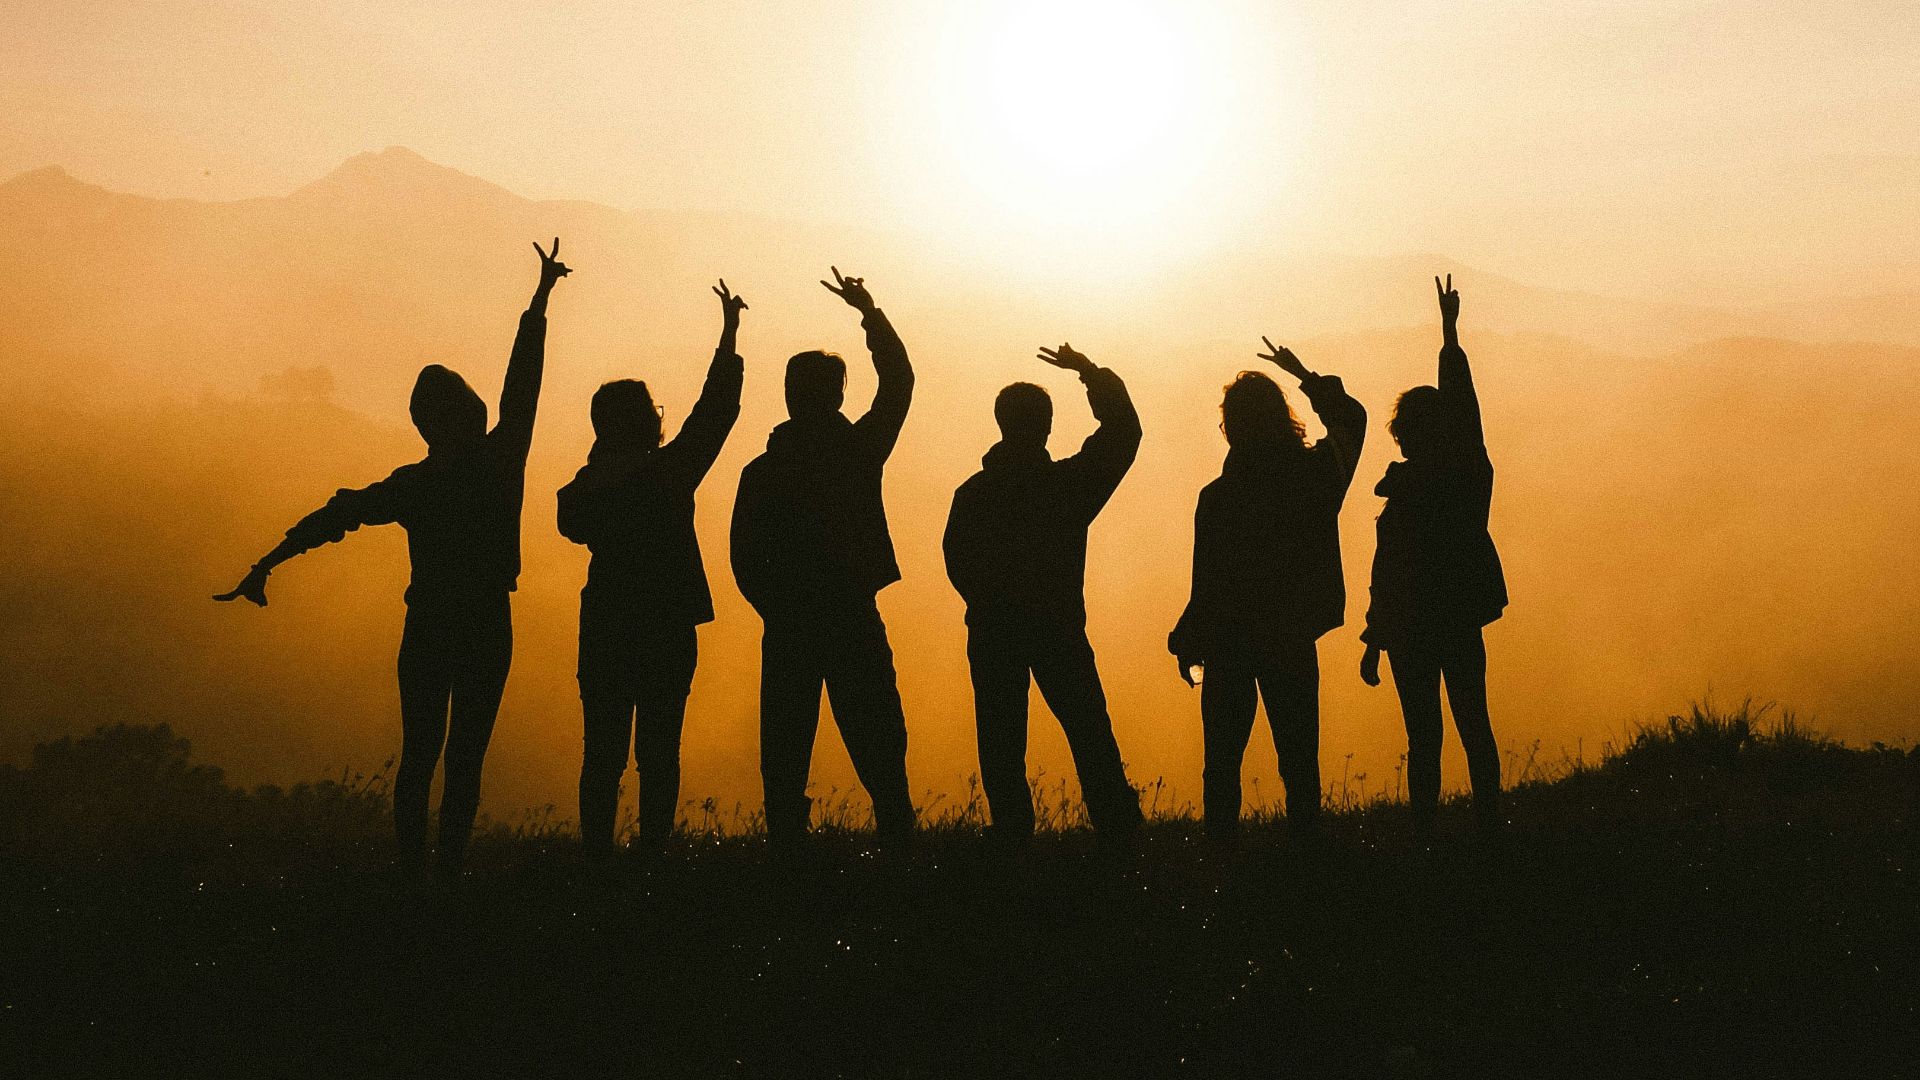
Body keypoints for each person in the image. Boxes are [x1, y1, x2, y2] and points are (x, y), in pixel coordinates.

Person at [215, 239, 571, 877]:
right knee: (463, 761)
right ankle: (446, 874)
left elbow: (337, 515)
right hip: (485, 623)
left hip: (431, 624)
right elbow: (524, 384)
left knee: (420, 757)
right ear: (468, 412)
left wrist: (267, 562)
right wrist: (539, 301)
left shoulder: (415, 484)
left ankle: (414, 877)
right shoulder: (498, 461)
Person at [558, 280, 746, 858]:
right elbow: (715, 413)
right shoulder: (670, 473)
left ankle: (597, 855)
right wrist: (729, 336)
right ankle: (654, 854)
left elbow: (570, 522)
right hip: (667, 625)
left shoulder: (585, 488)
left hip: (607, 623)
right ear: (647, 421)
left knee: (602, 752)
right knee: (660, 749)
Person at [729, 268, 916, 846]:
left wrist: (776, 604)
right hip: (849, 612)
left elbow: (744, 557)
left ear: (790, 394)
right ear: (837, 394)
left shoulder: (763, 471)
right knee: (878, 736)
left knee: (785, 744)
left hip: (788, 622)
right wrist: (870, 311)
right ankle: (898, 837)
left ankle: (788, 848)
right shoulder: (857, 452)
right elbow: (900, 382)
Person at [943, 344, 1144, 849]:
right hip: (1058, 628)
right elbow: (1124, 433)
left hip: (992, 629)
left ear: (1000, 424)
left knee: (1000, 737)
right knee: (1088, 728)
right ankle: (1118, 826)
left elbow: (956, 561)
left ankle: (1012, 835)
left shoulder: (973, 493)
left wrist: (988, 602)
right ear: (1048, 426)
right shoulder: (1066, 487)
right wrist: (1090, 373)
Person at [1169, 342, 1366, 840]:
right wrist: (1304, 373)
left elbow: (1207, 583)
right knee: (1299, 760)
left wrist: (1187, 639)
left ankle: (1220, 859)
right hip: (1291, 634)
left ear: (1231, 428)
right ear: (1282, 418)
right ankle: (1307, 861)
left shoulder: (1217, 498)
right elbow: (1353, 419)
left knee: (1221, 765)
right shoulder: (1316, 475)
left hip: (1229, 642)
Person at [1359, 275, 1508, 835]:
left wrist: (1377, 636)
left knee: (1425, 734)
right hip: (1453, 618)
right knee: (1472, 722)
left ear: (1401, 434)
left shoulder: (1425, 486)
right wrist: (1448, 336)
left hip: (1410, 629)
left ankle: (1427, 832)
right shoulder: (1467, 477)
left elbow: (1387, 575)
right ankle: (1487, 824)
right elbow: (1465, 410)